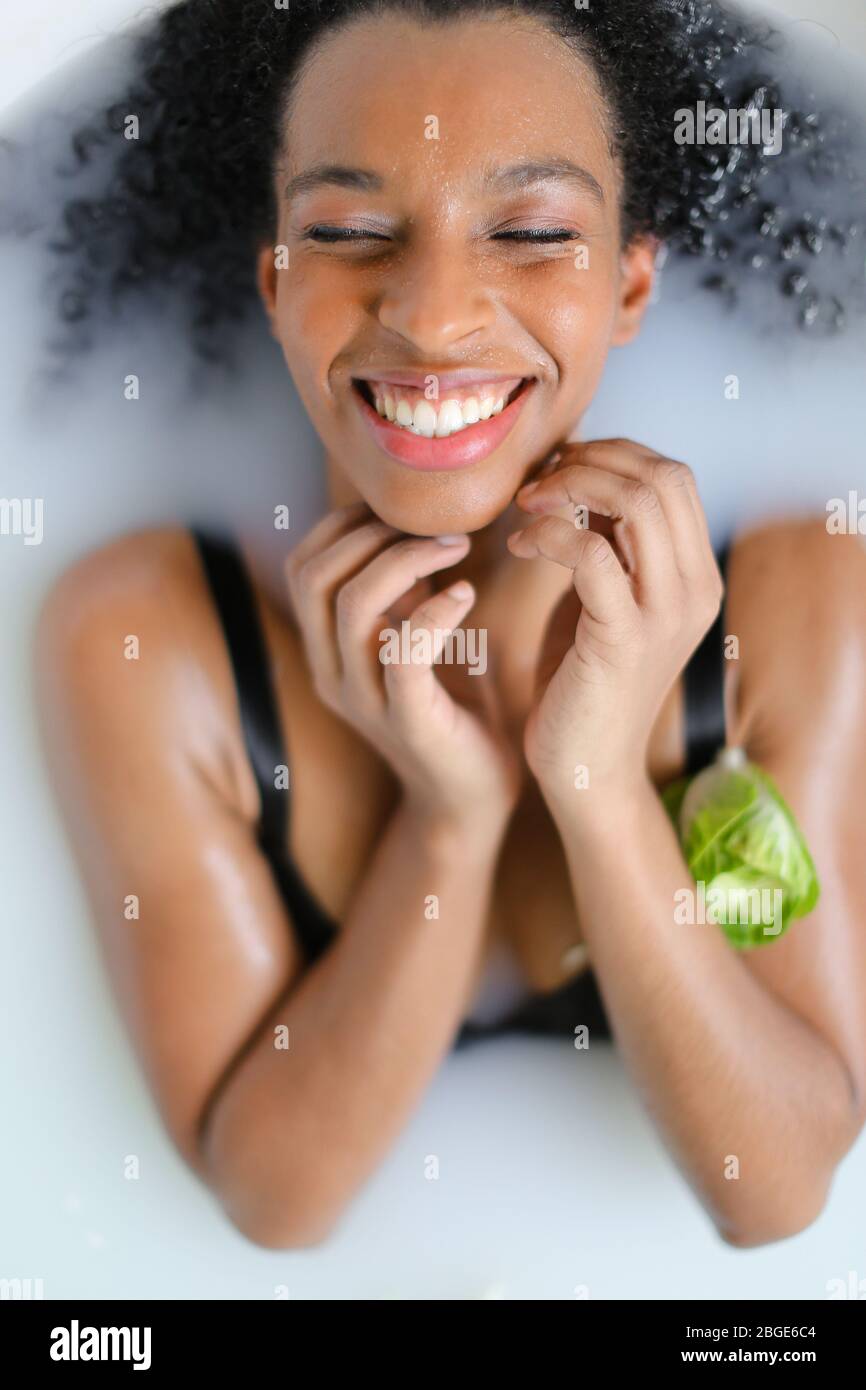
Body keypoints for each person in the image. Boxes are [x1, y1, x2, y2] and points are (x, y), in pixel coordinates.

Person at [35, 0, 866, 1250]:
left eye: (530, 231)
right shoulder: (152, 641)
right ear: (274, 280)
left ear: (629, 280)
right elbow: (273, 1194)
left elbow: (778, 1182)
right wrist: (448, 816)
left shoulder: (793, 602)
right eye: (350, 229)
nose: (431, 314)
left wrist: (593, 784)